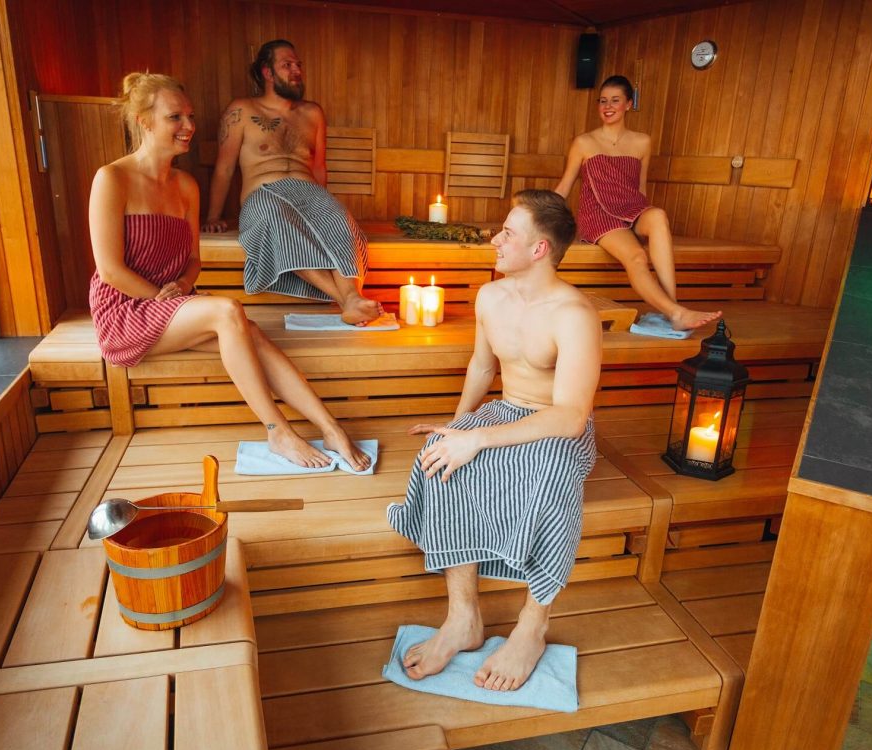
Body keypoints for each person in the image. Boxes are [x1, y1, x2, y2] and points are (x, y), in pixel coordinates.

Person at [88, 72, 368, 471]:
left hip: (172, 303)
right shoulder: (112, 179)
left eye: (190, 116)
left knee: (249, 333)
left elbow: (193, 260)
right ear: (143, 121)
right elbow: (110, 270)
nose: (188, 126)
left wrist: (183, 285)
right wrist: (164, 298)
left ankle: (331, 427)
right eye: (175, 117)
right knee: (228, 311)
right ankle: (278, 431)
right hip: (126, 310)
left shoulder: (186, 186)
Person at [387, 190, 601, 691]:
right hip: (505, 411)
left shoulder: (574, 314)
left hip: (556, 426)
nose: (495, 240)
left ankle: (533, 625)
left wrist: (478, 439)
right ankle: (463, 617)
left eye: (508, 233)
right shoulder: (490, 296)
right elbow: (483, 367)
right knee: (438, 461)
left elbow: (571, 417)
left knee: (551, 481)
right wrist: (457, 429)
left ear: (539, 249)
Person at [201, 40, 382, 326]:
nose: (296, 70)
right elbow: (224, 168)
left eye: (298, 65)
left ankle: (352, 298)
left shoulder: (313, 113)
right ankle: (348, 299)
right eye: (287, 65)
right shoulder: (243, 110)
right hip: (263, 193)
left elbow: (319, 167)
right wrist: (213, 215)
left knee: (340, 220)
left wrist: (324, 209)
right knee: (274, 219)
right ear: (267, 72)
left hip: (308, 191)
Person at [555, 75, 720, 331]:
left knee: (658, 215)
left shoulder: (642, 142)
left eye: (615, 100)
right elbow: (565, 186)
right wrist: (539, 216)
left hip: (632, 208)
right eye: (603, 101)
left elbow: (640, 187)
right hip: (599, 214)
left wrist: (643, 220)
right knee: (637, 256)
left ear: (628, 104)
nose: (608, 106)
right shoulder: (584, 142)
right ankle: (675, 312)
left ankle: (672, 307)